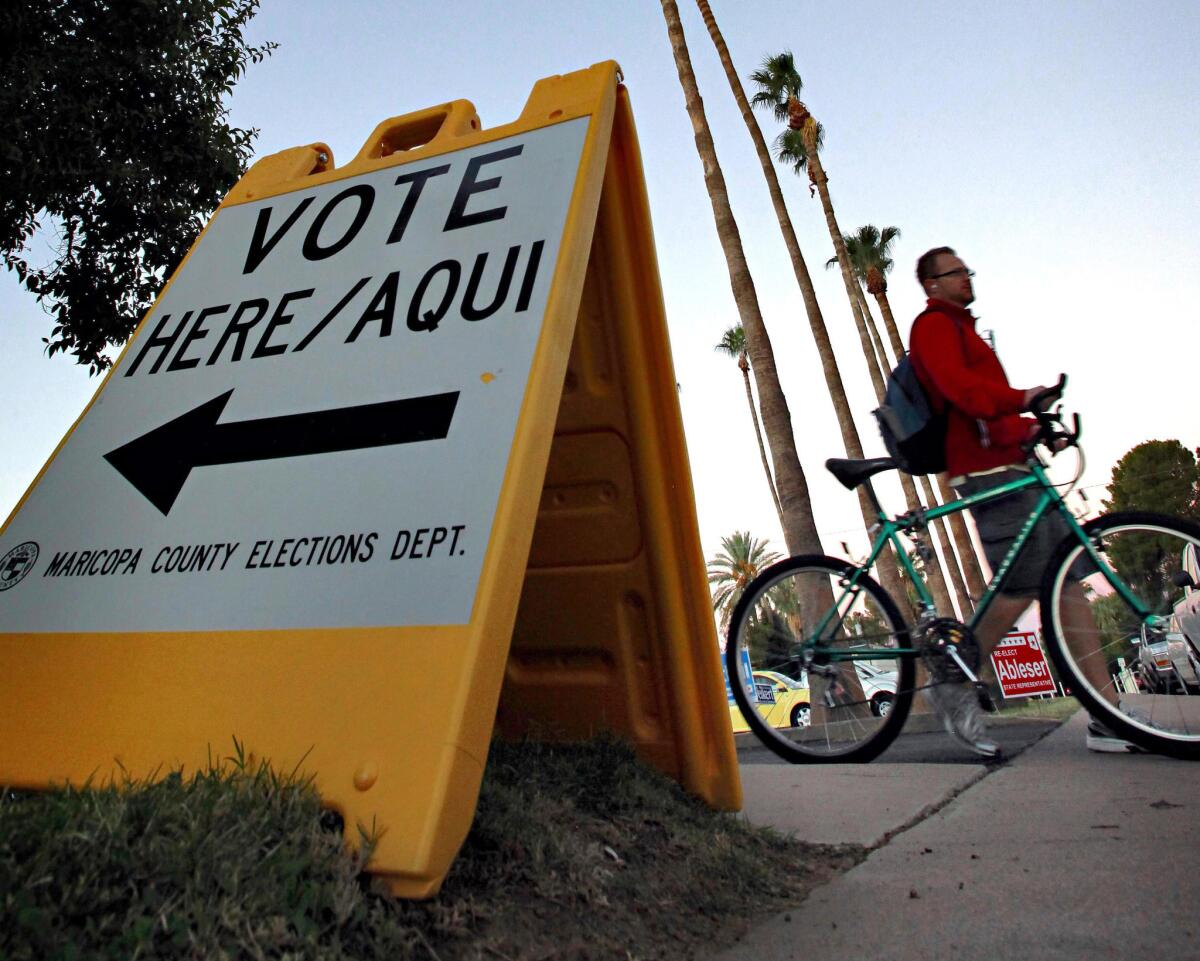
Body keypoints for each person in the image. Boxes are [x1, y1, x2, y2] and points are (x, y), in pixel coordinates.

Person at [907, 246, 1139, 757]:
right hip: (986, 472)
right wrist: (1021, 398)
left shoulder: (965, 328)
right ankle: (953, 679)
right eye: (956, 273)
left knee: (1068, 585)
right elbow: (964, 393)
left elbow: (991, 409)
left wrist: (1037, 429)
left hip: (1014, 468)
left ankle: (1106, 715)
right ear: (932, 284)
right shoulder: (934, 327)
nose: (967, 278)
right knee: (1022, 586)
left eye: (967, 270)